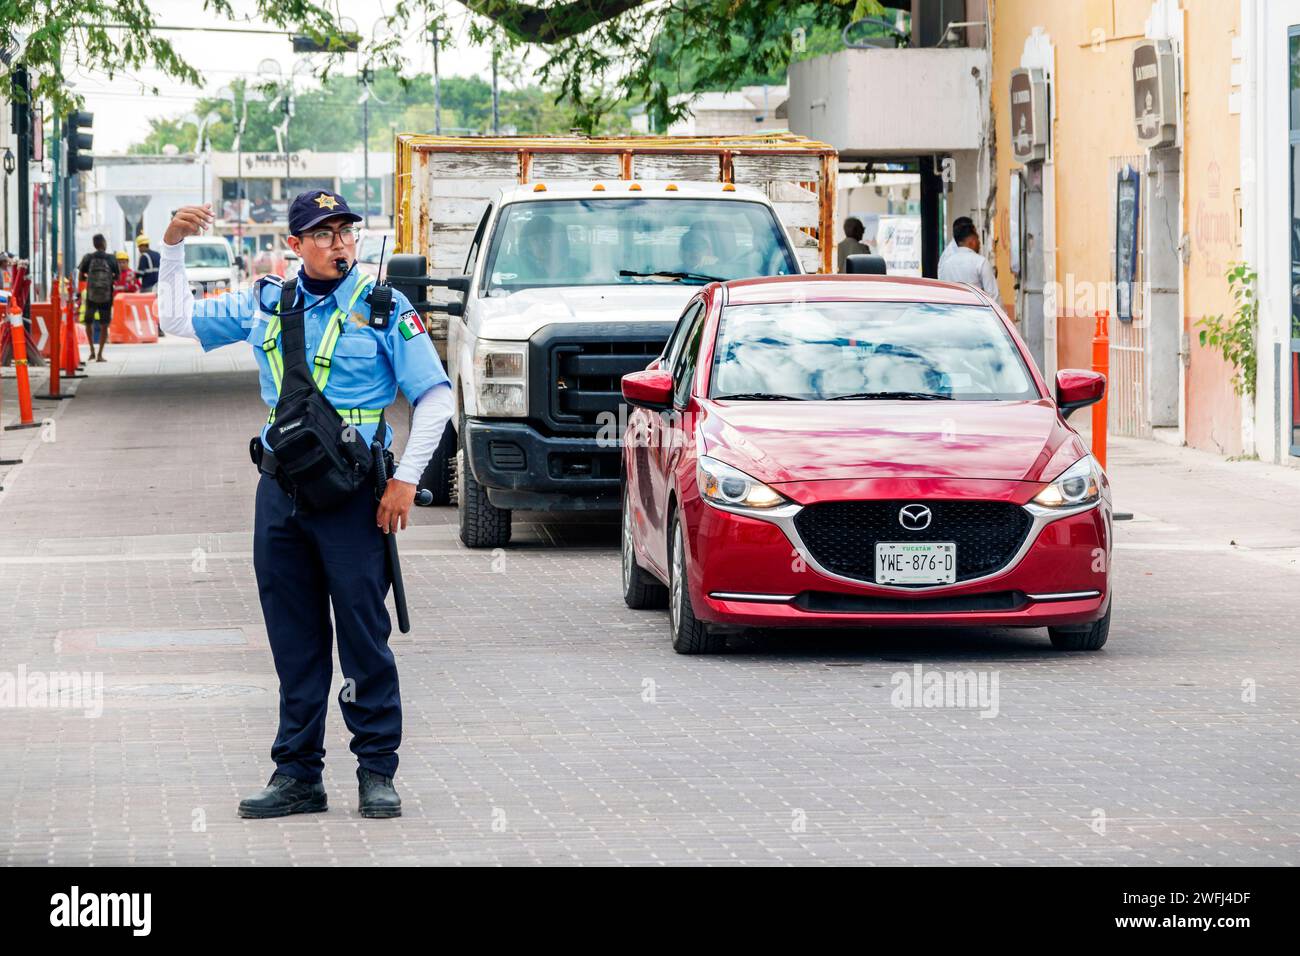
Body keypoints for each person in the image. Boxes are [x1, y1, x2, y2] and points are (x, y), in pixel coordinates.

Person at [157, 191, 455, 820]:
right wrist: (174, 248)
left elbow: (435, 398)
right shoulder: (268, 300)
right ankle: (298, 775)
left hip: (356, 499)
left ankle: (377, 770)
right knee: (295, 642)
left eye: (346, 231)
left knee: (363, 638)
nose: (339, 243)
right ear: (296, 245)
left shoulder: (382, 308)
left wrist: (405, 480)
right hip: (282, 493)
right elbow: (176, 322)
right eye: (323, 234)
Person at [77, 234, 120, 363]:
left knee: (88, 323)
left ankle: (91, 352)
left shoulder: (88, 258)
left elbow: (80, 276)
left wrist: (88, 279)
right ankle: (100, 354)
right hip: (106, 296)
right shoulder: (111, 258)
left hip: (91, 295)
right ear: (104, 244)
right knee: (104, 325)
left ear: (94, 244)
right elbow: (117, 277)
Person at [936, 217, 999, 299]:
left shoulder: (945, 263)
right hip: (975, 311)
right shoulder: (980, 262)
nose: (979, 242)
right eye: (977, 238)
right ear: (972, 241)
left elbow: (942, 293)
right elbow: (994, 297)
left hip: (951, 310)